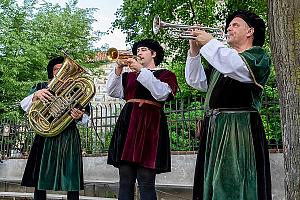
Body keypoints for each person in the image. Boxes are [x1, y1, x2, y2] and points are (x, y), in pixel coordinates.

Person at [185, 10, 272, 200]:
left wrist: (209, 42)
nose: (229, 28)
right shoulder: (222, 61)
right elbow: (195, 81)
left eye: (235, 25)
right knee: (213, 185)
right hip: (215, 129)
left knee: (232, 183)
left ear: (250, 31)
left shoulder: (258, 56)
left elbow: (234, 65)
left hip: (237, 129)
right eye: (229, 25)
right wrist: (194, 52)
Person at [106, 39, 178, 200]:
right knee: (125, 179)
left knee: (146, 180)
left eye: (143, 49)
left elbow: (161, 93)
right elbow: (112, 91)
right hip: (128, 124)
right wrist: (118, 67)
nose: (139, 53)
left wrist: (141, 70)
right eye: (137, 50)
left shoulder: (166, 74)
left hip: (150, 125)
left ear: (154, 53)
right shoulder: (127, 76)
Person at [20, 56, 90, 200]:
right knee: (41, 176)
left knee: (71, 176)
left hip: (68, 135)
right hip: (44, 135)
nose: (59, 72)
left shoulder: (77, 89)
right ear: (51, 72)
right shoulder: (41, 86)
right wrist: (35, 95)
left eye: (62, 68)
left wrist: (80, 116)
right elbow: (24, 105)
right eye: (56, 69)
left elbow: (87, 118)